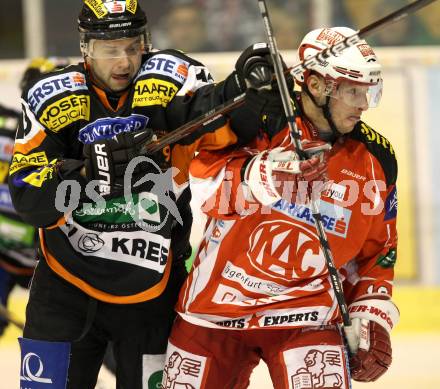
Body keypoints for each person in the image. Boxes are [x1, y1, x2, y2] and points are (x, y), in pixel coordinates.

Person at [8, 1, 274, 388]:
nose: (124, 61)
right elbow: (26, 196)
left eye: (132, 46)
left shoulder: (172, 78)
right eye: (110, 49)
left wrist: (247, 90)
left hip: (154, 290)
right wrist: (85, 176)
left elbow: (222, 121)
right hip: (65, 290)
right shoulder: (51, 96)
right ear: (86, 47)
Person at [162, 27, 399, 388]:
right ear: (317, 86)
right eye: (353, 91)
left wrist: (371, 313)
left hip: (308, 315)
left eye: (368, 91)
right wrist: (261, 175)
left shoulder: (376, 159)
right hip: (214, 310)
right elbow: (197, 187)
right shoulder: (256, 121)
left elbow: (379, 249)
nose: (363, 105)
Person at [0, 57, 69, 336]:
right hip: (3, 257)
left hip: (58, 261)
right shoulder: (5, 127)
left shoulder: (82, 139)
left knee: (84, 333)